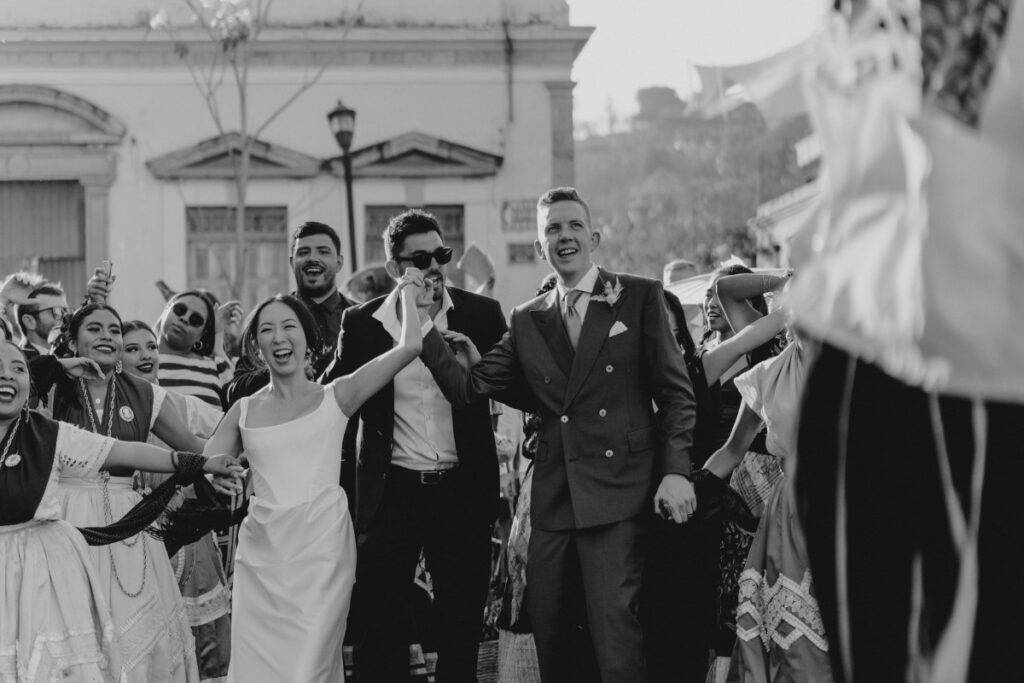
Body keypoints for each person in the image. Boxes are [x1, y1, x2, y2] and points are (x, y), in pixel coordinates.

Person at [420, 187, 697, 683]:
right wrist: (420, 330)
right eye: (553, 228)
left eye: (573, 226)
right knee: (550, 630)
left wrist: (676, 473)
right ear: (538, 247)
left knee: (614, 632)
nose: (564, 236)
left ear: (593, 237)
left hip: (620, 491)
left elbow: (677, 396)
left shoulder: (638, 295)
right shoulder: (528, 318)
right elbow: (471, 389)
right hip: (553, 497)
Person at [205, 271, 429, 683]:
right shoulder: (244, 410)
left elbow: (410, 346)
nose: (279, 337)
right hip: (262, 558)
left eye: (289, 326)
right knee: (259, 671)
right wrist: (218, 473)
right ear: (256, 346)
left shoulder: (337, 396)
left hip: (323, 551)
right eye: (267, 330)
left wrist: (407, 296)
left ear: (308, 339)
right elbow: (209, 462)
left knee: (309, 666)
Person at [320, 208, 509, 682]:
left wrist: (479, 363)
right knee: (379, 628)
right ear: (393, 269)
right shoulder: (362, 324)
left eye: (441, 254)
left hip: (463, 490)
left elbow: (513, 386)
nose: (434, 267)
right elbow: (330, 400)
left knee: (461, 627)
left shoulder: (481, 314)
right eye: (420, 258)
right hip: (392, 493)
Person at [0, 338, 243, 683]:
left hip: (39, 577)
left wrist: (198, 462)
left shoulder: (49, 435)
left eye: (18, 369)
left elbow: (123, 450)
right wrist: (56, 365)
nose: (7, 377)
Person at [702, 336, 833, 683]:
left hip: (849, 506)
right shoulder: (768, 373)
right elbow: (732, 451)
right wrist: (690, 484)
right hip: (790, 514)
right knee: (790, 635)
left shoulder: (869, 368)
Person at [122, 320, 233, 683]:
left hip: (189, 540)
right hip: (132, 546)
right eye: (132, 348)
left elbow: (234, 436)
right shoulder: (109, 414)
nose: (145, 355)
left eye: (150, 347)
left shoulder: (184, 407)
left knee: (208, 651)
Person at [224, 221, 355, 405]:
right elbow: (234, 391)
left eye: (323, 252)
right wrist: (280, 370)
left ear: (339, 262)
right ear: (292, 262)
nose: (313, 258)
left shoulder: (362, 319)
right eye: (303, 252)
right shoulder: (265, 319)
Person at [156, 290, 234, 409]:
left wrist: (216, 342)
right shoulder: (138, 357)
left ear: (202, 334)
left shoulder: (216, 365)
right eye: (179, 310)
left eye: (196, 320)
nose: (185, 318)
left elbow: (242, 403)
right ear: (166, 310)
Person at [14, 281, 67, 361]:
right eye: (57, 312)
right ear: (29, 321)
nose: (65, 318)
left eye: (66, 311)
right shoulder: (19, 361)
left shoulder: (71, 355)